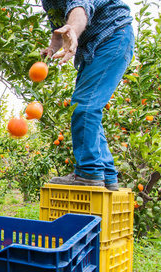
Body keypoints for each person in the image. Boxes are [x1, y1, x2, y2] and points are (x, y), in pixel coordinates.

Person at [41, 0, 135, 191]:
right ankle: (106, 174)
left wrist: (73, 30)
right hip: (96, 46)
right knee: (88, 108)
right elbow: (59, 30)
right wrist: (52, 49)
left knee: (84, 106)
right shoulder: (47, 1)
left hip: (112, 37)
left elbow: (80, 8)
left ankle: (89, 172)